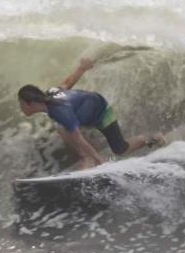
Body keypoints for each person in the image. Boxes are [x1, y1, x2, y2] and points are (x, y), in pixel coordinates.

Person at [17, 57, 164, 171]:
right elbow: (67, 83)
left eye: (21, 104)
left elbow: (78, 138)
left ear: (29, 104)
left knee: (120, 149)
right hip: (91, 108)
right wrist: (81, 68)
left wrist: (100, 161)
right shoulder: (51, 93)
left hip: (102, 113)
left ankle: (152, 139)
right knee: (62, 128)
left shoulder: (59, 112)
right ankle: (88, 157)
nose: (21, 108)